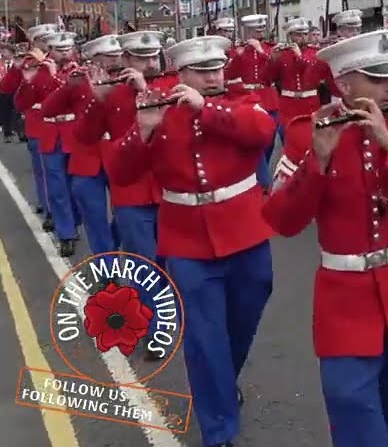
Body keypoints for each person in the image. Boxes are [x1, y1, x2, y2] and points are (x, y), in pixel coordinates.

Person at [263, 28, 388, 447]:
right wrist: (318, 159)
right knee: (350, 404)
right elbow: (281, 220)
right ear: (344, 84)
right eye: (378, 77)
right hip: (343, 298)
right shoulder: (306, 132)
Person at [108, 35, 276, 447]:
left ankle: (221, 383)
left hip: (245, 229)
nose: (213, 76)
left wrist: (209, 108)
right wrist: (143, 130)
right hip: (186, 238)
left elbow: (262, 130)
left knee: (243, 317)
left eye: (217, 68)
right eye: (202, 72)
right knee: (204, 337)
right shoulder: (160, 109)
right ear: (181, 74)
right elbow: (122, 172)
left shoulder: (239, 103)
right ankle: (219, 430)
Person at [78, 30, 177, 329]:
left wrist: (145, 88)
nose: (149, 63)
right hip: (131, 192)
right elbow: (85, 137)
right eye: (141, 58)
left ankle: (170, 312)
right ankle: (155, 326)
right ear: (126, 59)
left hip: (170, 187)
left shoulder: (172, 86)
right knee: (144, 262)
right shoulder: (112, 91)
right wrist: (97, 102)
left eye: (152, 56)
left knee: (173, 261)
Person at [40, 34, 124, 265]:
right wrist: (67, 86)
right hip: (87, 156)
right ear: (94, 59)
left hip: (120, 155)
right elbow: (47, 109)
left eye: (117, 55)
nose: (115, 61)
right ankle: (106, 264)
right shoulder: (79, 79)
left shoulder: (129, 80)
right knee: (94, 216)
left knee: (128, 216)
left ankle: (113, 246)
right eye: (109, 57)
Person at [17, 30, 82, 253]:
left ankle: (74, 220)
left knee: (77, 187)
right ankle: (66, 233)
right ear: (50, 51)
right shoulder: (39, 72)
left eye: (67, 49)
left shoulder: (80, 72)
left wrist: (54, 77)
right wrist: (26, 82)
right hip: (49, 134)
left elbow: (74, 97)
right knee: (57, 186)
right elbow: (21, 103)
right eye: (59, 50)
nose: (64, 54)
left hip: (74, 135)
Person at [7, 24, 60, 223]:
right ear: (35, 42)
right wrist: (17, 68)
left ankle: (63, 212)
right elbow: (7, 89)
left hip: (65, 126)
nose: (49, 45)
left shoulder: (64, 61)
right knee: (43, 170)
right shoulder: (30, 62)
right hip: (39, 123)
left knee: (63, 176)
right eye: (44, 40)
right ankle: (49, 209)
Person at [227, 14, 278, 190]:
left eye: (261, 29)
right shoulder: (238, 52)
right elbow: (229, 75)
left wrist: (262, 52)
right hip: (247, 97)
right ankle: (262, 180)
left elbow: (276, 72)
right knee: (257, 141)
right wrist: (239, 56)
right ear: (247, 31)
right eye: (255, 30)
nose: (259, 33)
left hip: (268, 98)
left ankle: (258, 171)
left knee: (270, 141)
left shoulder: (271, 50)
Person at [270, 16, 320, 139]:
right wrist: (273, 59)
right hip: (289, 107)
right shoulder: (283, 54)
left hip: (310, 105)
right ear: (290, 36)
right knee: (289, 141)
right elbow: (267, 78)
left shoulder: (315, 53)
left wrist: (299, 56)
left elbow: (311, 72)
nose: (302, 37)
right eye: (298, 35)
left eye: (305, 34)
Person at [311, 9, 363, 105]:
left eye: (358, 29)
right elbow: (321, 72)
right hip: (339, 95)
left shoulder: (363, 45)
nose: (355, 33)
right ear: (339, 31)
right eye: (350, 30)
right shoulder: (331, 48)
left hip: (362, 92)